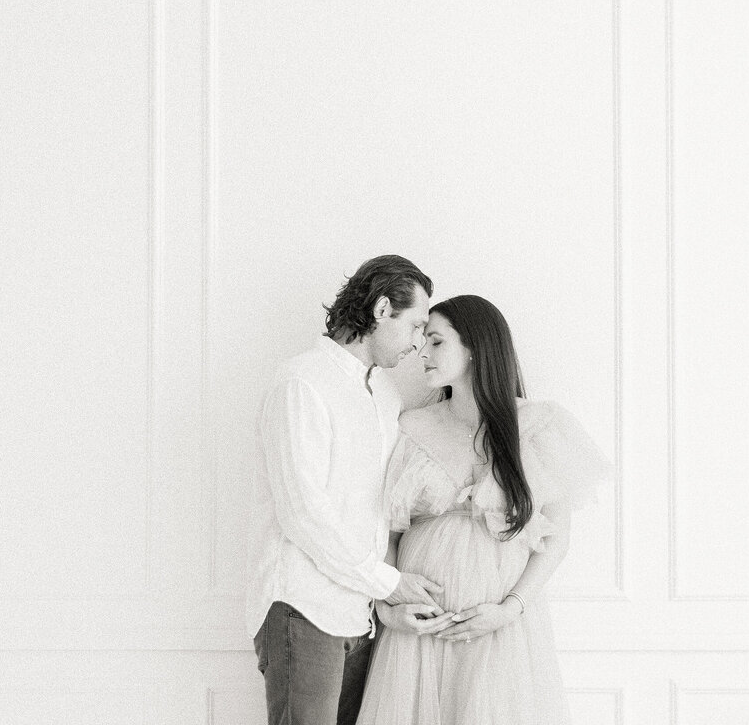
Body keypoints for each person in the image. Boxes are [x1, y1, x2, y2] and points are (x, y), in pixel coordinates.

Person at [356, 295, 610, 725]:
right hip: (419, 630)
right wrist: (388, 609)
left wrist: (509, 609)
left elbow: (557, 540)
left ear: (473, 346)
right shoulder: (412, 426)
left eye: (436, 341)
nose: (422, 352)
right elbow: (388, 534)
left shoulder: (540, 425)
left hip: (500, 629)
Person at [246, 255, 447, 725]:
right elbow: (303, 514)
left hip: (362, 616)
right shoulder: (301, 382)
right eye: (416, 325)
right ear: (381, 310)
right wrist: (390, 584)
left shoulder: (387, 396)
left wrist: (380, 600)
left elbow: (382, 510)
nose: (420, 344)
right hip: (304, 607)